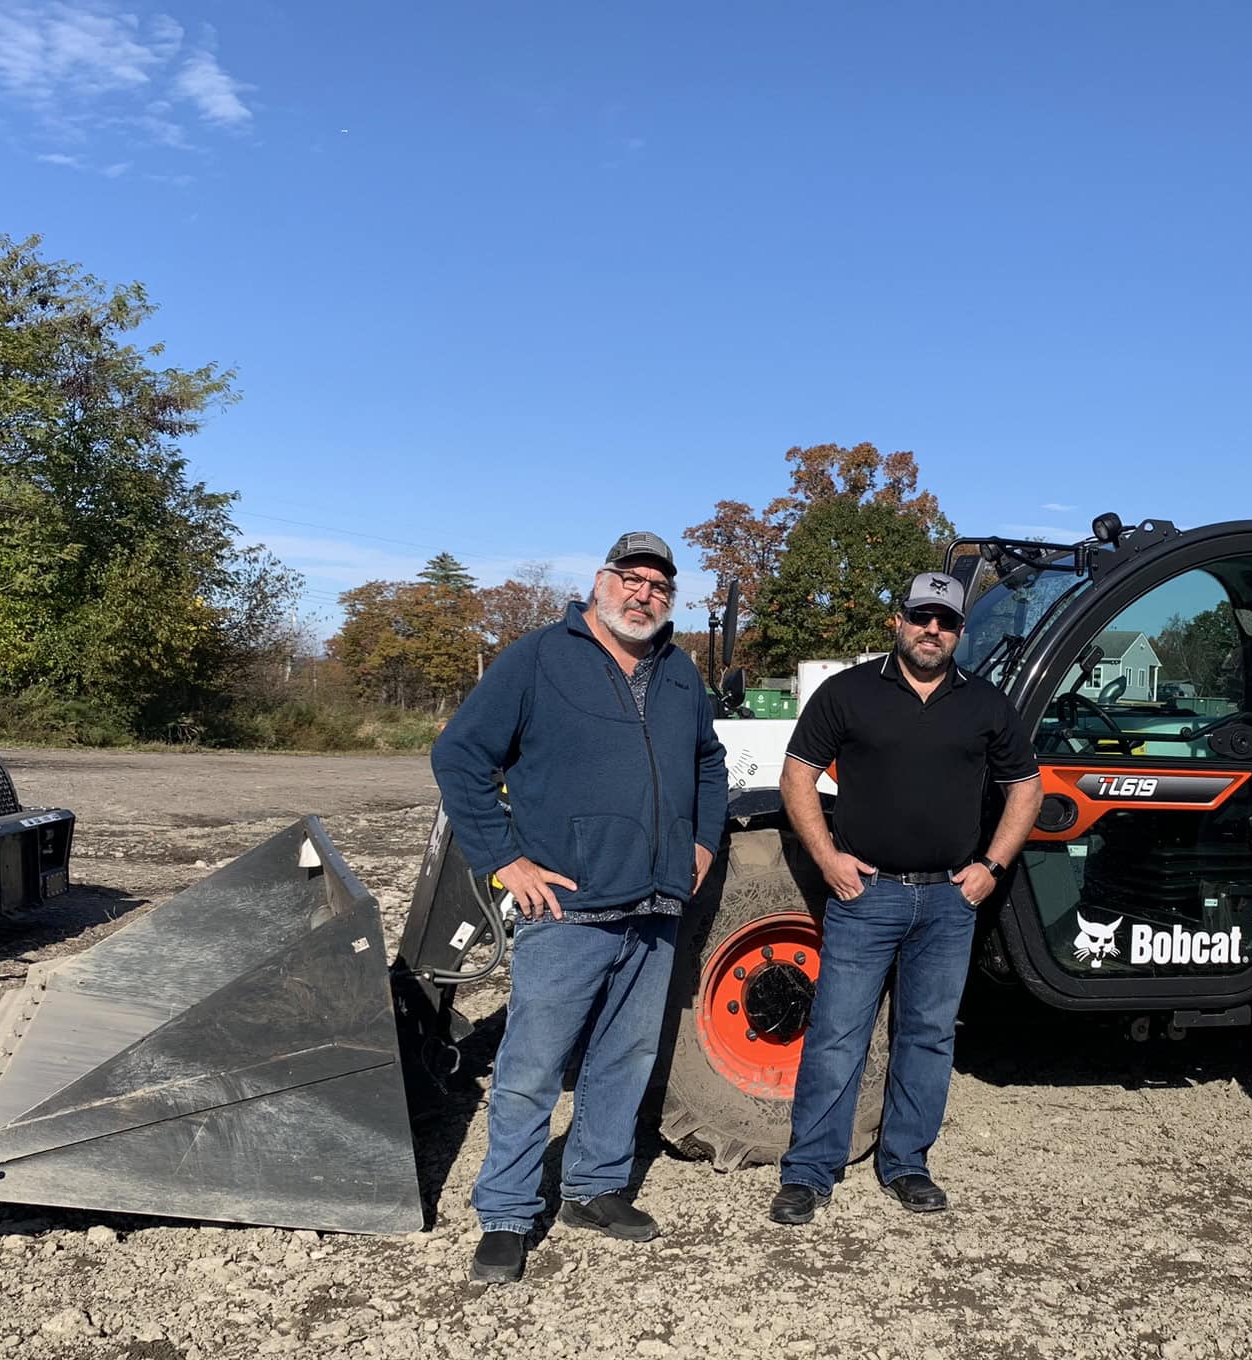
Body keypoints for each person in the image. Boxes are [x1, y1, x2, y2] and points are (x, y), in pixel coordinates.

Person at [433, 531, 728, 1282]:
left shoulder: (680, 673)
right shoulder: (538, 658)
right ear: (601, 582)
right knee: (533, 1065)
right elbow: (460, 755)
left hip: (657, 902)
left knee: (625, 1057)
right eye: (632, 580)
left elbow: (708, 761)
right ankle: (505, 1211)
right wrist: (505, 858)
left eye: (660, 587)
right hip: (568, 908)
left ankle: (593, 1189)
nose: (644, 595)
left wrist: (701, 843)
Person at [768, 572, 1043, 1225]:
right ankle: (809, 1172)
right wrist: (828, 858)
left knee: (927, 1036)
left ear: (959, 632)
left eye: (946, 622)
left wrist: (991, 867)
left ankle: (907, 1163)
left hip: (950, 901)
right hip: (867, 896)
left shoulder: (986, 704)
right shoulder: (849, 692)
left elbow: (1026, 788)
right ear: (899, 621)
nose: (932, 631)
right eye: (922, 616)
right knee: (838, 1034)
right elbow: (796, 776)